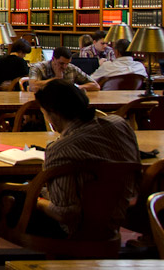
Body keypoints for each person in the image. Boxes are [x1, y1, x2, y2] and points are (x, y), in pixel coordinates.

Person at [31, 80, 140, 236]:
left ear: (52, 113)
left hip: (76, 230)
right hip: (117, 215)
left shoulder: (60, 149)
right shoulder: (120, 125)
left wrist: (38, 202)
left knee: (0, 198)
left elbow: (64, 214)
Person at [28, 47, 99, 92]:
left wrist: (77, 87)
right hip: (45, 104)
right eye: (61, 63)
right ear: (53, 59)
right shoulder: (38, 68)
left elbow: (96, 86)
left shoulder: (71, 68)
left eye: (67, 63)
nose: (65, 67)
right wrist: (56, 80)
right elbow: (33, 86)